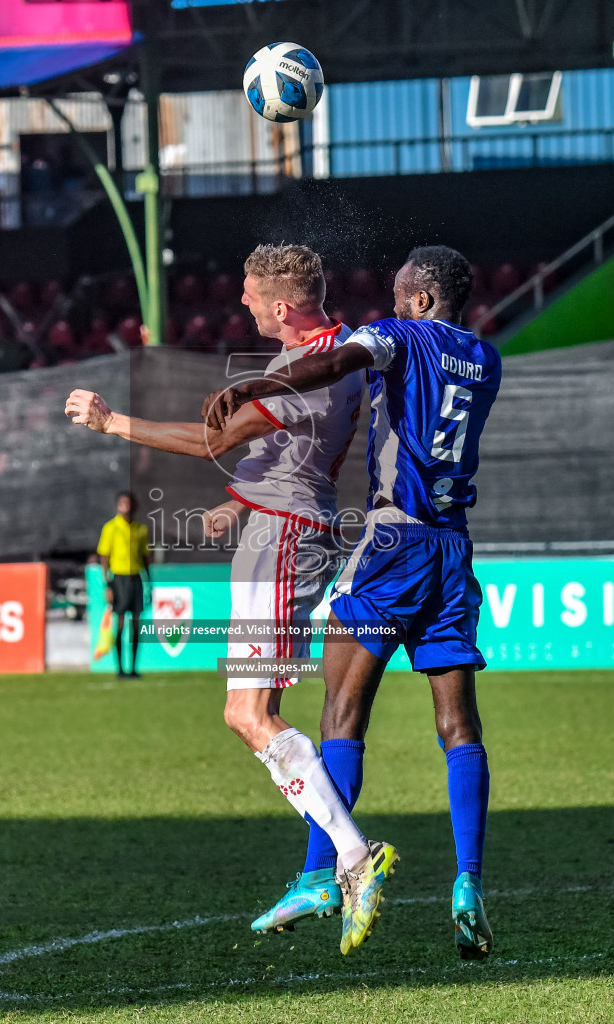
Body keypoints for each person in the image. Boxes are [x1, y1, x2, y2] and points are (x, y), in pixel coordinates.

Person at [65, 242, 397, 956]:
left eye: (249, 294)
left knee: (250, 712)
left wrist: (111, 422)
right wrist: (235, 506)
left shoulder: (296, 372)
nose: (241, 303)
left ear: (282, 306)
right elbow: (283, 458)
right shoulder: (335, 352)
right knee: (247, 710)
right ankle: (339, 861)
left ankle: (350, 857)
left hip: (283, 542)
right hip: (283, 529)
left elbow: (212, 437)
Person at [203, 245, 502, 960]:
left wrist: (250, 388)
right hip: (453, 553)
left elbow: (336, 360)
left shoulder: (400, 337)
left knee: (341, 712)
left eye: (402, 295)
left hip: (393, 547)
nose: (393, 305)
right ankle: (469, 883)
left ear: (423, 300)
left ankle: (319, 874)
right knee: (459, 727)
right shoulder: (487, 360)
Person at [95, 491, 151, 678]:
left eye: (128, 503)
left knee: (136, 625)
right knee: (119, 624)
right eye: (121, 503)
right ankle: (120, 669)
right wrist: (108, 585)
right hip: (118, 579)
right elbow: (104, 557)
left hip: (136, 579)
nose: (124, 506)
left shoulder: (140, 529)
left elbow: (144, 558)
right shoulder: (110, 527)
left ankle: (134, 668)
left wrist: (149, 583)